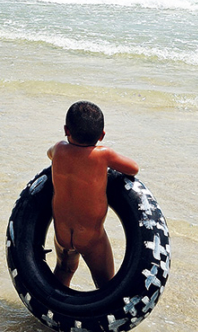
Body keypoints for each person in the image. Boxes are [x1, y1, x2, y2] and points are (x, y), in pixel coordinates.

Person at [46, 101, 139, 289]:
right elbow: (133, 168)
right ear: (102, 135)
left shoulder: (58, 149)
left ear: (66, 130)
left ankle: (52, 313)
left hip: (62, 235)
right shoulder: (103, 155)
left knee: (64, 271)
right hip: (90, 238)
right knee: (106, 287)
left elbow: (50, 155)